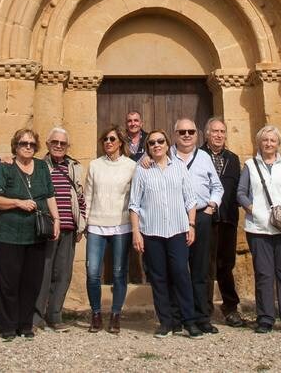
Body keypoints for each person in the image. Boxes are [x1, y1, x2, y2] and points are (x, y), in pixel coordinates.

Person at [130, 129, 202, 339]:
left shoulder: (179, 167)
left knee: (181, 274)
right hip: (152, 232)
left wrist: (192, 225)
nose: (156, 145)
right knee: (159, 278)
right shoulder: (142, 170)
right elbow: (134, 204)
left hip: (178, 231)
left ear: (167, 143)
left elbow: (190, 199)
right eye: (152, 143)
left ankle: (189, 321)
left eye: (160, 141)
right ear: (148, 148)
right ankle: (166, 322)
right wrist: (136, 232)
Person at [0, 129, 59, 340]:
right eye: (23, 143)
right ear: (15, 146)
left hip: (35, 233)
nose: (27, 147)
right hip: (9, 233)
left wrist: (56, 220)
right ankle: (8, 327)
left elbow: (49, 195)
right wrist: (17, 202)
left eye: (31, 144)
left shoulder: (41, 167)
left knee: (31, 281)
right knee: (9, 282)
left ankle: (25, 324)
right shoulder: (6, 168)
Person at [237, 124, 281, 334]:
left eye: (272, 140)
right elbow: (241, 192)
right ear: (259, 142)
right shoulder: (250, 165)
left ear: (278, 143)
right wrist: (252, 208)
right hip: (258, 227)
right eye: (265, 140)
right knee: (264, 274)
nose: (268, 144)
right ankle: (265, 317)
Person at [166, 117, 223, 334]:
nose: (187, 135)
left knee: (200, 270)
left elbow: (217, 186)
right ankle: (177, 316)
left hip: (200, 216)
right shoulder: (165, 153)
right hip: (173, 218)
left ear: (197, 135)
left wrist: (211, 207)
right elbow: (146, 166)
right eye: (182, 132)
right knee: (176, 269)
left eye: (191, 131)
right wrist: (144, 160)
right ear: (175, 134)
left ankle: (202, 317)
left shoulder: (204, 157)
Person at [84, 125, 136, 333]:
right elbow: (88, 195)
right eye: (105, 139)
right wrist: (84, 223)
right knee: (92, 272)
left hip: (121, 225)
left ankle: (115, 314)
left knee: (118, 272)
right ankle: (96, 313)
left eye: (112, 139)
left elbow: (135, 197)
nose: (108, 142)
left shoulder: (131, 166)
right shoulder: (95, 165)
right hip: (96, 224)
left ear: (120, 143)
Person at [35, 127, 87, 332]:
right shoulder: (39, 166)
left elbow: (80, 195)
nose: (58, 146)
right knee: (43, 273)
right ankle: (36, 317)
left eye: (62, 143)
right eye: (54, 142)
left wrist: (81, 222)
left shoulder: (73, 167)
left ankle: (55, 316)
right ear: (47, 145)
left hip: (69, 227)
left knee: (63, 274)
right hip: (47, 228)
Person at [202, 117, 244, 326]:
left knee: (226, 265)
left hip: (227, 219)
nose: (219, 135)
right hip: (204, 219)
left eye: (222, 131)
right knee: (205, 266)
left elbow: (240, 190)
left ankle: (230, 307)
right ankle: (204, 310)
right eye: (215, 131)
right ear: (206, 134)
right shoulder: (197, 156)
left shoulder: (233, 159)